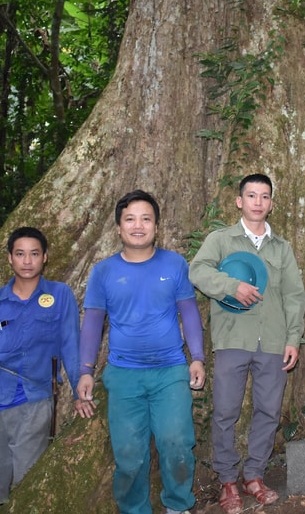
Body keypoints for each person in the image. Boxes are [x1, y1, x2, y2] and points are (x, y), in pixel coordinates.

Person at [77, 190, 206, 514]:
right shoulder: (103, 272)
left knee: (176, 443)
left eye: (146, 219)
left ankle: (178, 506)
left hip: (170, 373)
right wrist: (85, 370)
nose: (138, 225)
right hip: (124, 376)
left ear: (157, 226)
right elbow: (93, 322)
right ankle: (135, 510)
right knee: (129, 455)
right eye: (130, 219)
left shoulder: (174, 264)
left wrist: (198, 358)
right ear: (118, 228)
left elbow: (189, 313)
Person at [189, 173, 305, 514]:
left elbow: (294, 296)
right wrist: (231, 286)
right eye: (251, 195)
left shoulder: (281, 248)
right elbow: (197, 270)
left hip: (273, 341)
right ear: (239, 201)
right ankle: (227, 480)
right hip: (232, 339)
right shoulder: (222, 239)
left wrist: (293, 338)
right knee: (225, 410)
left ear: (271, 203)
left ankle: (254, 475)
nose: (258, 202)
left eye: (264, 196)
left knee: (268, 411)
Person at [0, 226, 93, 514]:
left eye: (34, 254)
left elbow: (71, 345)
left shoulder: (60, 296)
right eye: (20, 254)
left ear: (45, 257)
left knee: (29, 481)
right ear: (10, 258)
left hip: (35, 400)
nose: (27, 261)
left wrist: (79, 392)